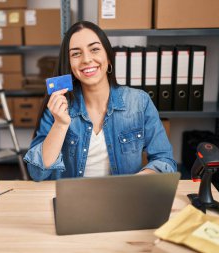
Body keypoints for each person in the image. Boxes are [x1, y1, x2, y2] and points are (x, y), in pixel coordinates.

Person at [24, 21, 177, 181]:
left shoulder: (139, 102)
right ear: (69, 65)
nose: (86, 59)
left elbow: (165, 160)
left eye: (95, 49)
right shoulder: (58, 106)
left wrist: (136, 183)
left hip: (124, 199)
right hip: (72, 201)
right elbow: (37, 173)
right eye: (76, 53)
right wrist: (60, 125)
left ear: (109, 58)